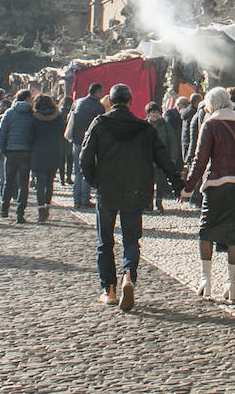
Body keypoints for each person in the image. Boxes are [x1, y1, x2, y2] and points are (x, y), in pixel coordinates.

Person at [81, 84, 182, 310]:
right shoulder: (144, 128)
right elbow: (163, 158)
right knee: (130, 240)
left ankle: (109, 290)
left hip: (107, 189)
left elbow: (85, 157)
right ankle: (128, 276)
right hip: (136, 189)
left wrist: (94, 181)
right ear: (130, 101)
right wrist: (177, 184)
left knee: (105, 242)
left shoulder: (99, 123)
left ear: (110, 101)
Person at [179, 87, 235, 303]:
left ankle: (206, 281)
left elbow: (200, 159)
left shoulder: (210, 124)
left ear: (210, 104)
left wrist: (188, 188)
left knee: (206, 231)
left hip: (217, 184)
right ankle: (231, 284)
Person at [0, 89, 36, 222]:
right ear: (27, 99)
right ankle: (20, 213)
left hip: (11, 151)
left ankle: (4, 209)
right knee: (23, 184)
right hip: (26, 152)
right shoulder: (32, 114)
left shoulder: (9, 112)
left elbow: (1, 134)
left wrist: (3, 150)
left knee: (8, 182)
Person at [31, 93, 67, 223]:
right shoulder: (58, 117)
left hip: (38, 152)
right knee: (50, 181)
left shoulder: (34, 117)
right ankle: (47, 205)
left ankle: (41, 209)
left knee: (40, 183)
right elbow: (62, 132)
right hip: (54, 151)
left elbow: (31, 135)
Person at [68, 83, 105, 209]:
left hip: (76, 141)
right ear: (97, 92)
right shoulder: (99, 107)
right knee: (88, 171)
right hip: (90, 143)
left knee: (77, 171)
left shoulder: (78, 103)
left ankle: (76, 200)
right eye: (101, 92)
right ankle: (85, 199)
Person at [145, 103, 180, 213]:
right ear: (148, 114)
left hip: (161, 159)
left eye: (157, 112)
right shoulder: (143, 125)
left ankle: (159, 202)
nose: (155, 114)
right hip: (147, 160)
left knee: (160, 183)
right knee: (148, 183)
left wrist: (173, 157)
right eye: (153, 112)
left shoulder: (165, 125)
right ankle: (148, 204)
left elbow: (173, 141)